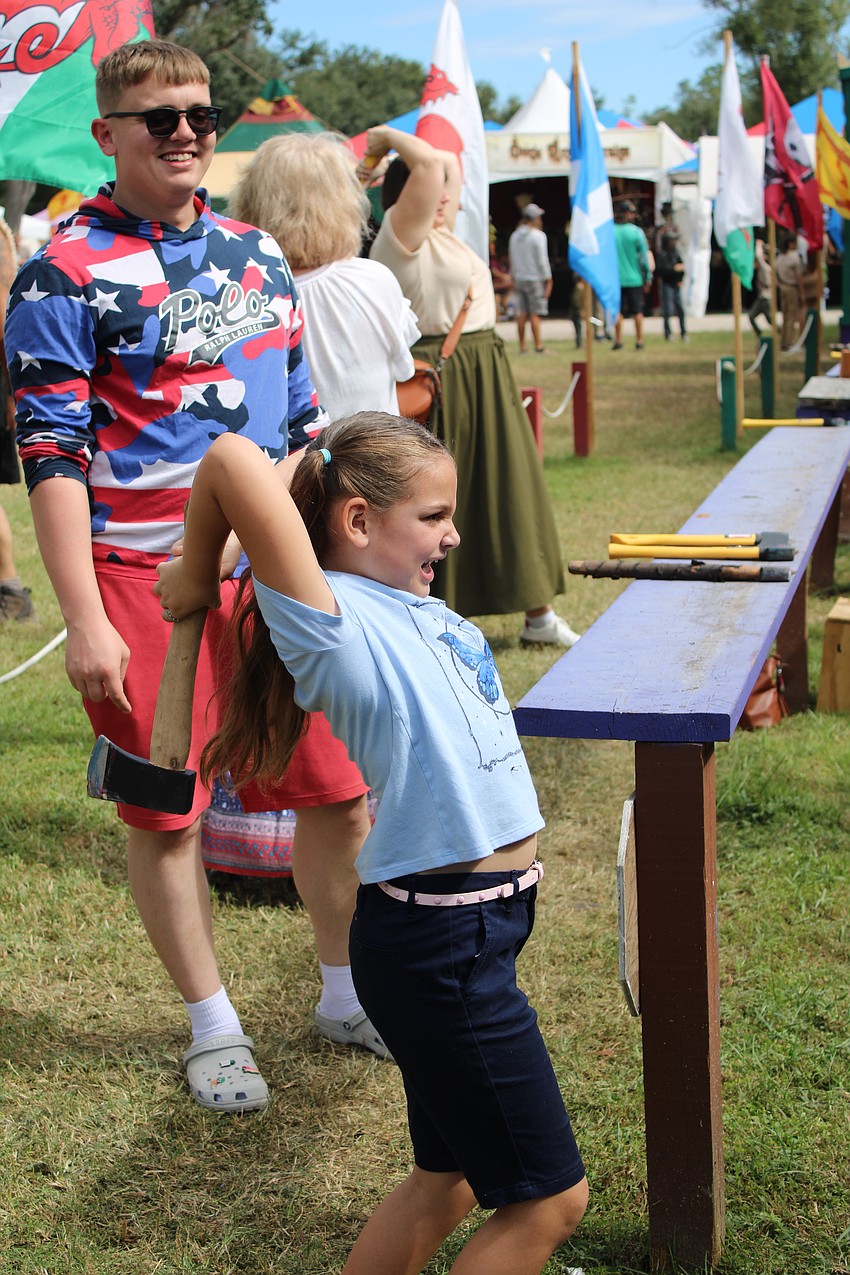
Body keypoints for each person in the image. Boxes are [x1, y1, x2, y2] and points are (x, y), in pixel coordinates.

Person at [6, 39, 388, 1119]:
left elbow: (303, 426)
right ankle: (213, 1025)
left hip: (274, 567)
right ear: (108, 134)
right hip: (138, 571)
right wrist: (85, 618)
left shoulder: (258, 254)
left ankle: (343, 992)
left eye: (199, 115)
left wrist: (283, 547)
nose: (184, 132)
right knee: (165, 814)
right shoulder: (61, 271)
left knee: (339, 792)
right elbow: (50, 457)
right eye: (157, 116)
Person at [154, 412, 589, 1275]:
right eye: (433, 516)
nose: (454, 533)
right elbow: (234, 460)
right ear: (356, 522)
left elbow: (295, 470)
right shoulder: (333, 624)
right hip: (440, 942)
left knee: (450, 1175)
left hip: (472, 930)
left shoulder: (404, 604)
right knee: (547, 1200)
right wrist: (198, 577)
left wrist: (314, 467)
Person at [364, 126, 579, 649]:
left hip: (483, 369)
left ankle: (538, 616)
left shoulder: (442, 232)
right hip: (445, 378)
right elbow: (435, 169)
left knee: (509, 489)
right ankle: (434, 618)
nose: (442, 198)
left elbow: (448, 169)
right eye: (429, 190)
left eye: (444, 196)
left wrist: (432, 160)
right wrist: (386, 137)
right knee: (438, 500)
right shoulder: (399, 232)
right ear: (405, 192)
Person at [228, 130, 420, 419]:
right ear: (343, 202)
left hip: (291, 462)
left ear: (250, 200)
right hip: (376, 456)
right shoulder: (373, 280)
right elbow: (404, 369)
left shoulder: (240, 294)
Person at [507, 202, 552, 354]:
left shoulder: (514, 236)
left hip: (519, 277)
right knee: (535, 313)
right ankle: (538, 345)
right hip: (534, 278)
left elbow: (512, 259)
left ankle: (522, 346)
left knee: (521, 313)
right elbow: (542, 260)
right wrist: (548, 278)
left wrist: (513, 277)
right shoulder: (538, 236)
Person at [612, 198, 652, 350]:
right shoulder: (636, 232)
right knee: (637, 311)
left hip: (616, 279)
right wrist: (647, 276)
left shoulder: (610, 232)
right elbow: (643, 257)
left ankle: (618, 340)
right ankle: (639, 340)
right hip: (635, 278)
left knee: (618, 311)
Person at [656, 231, 687, 341]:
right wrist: (673, 269)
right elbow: (661, 270)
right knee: (668, 310)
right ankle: (668, 333)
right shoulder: (662, 254)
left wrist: (680, 278)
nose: (673, 243)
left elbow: (682, 267)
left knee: (681, 309)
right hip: (666, 284)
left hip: (676, 283)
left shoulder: (676, 253)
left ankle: (684, 332)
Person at [776, 233, 803, 350]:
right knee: (791, 316)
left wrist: (780, 285)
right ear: (791, 244)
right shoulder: (794, 257)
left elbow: (774, 274)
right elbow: (799, 277)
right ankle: (789, 342)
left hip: (782, 287)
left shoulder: (779, 257)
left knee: (785, 315)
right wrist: (802, 293)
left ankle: (784, 340)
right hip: (792, 288)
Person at [748, 237, 772, 336]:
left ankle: (781, 332)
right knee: (753, 316)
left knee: (770, 320)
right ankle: (760, 334)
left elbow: (759, 256)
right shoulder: (766, 269)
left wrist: (758, 245)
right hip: (763, 297)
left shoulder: (765, 268)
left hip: (765, 298)